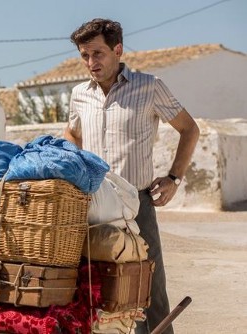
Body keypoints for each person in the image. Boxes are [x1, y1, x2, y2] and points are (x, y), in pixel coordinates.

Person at [64, 19, 200, 334]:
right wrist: (78, 168)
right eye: (84, 55)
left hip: (137, 204)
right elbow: (72, 132)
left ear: (118, 49)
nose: (90, 63)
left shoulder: (149, 86)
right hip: (93, 206)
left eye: (97, 53)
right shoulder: (79, 94)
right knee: (99, 290)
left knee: (148, 292)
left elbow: (189, 129)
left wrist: (173, 178)